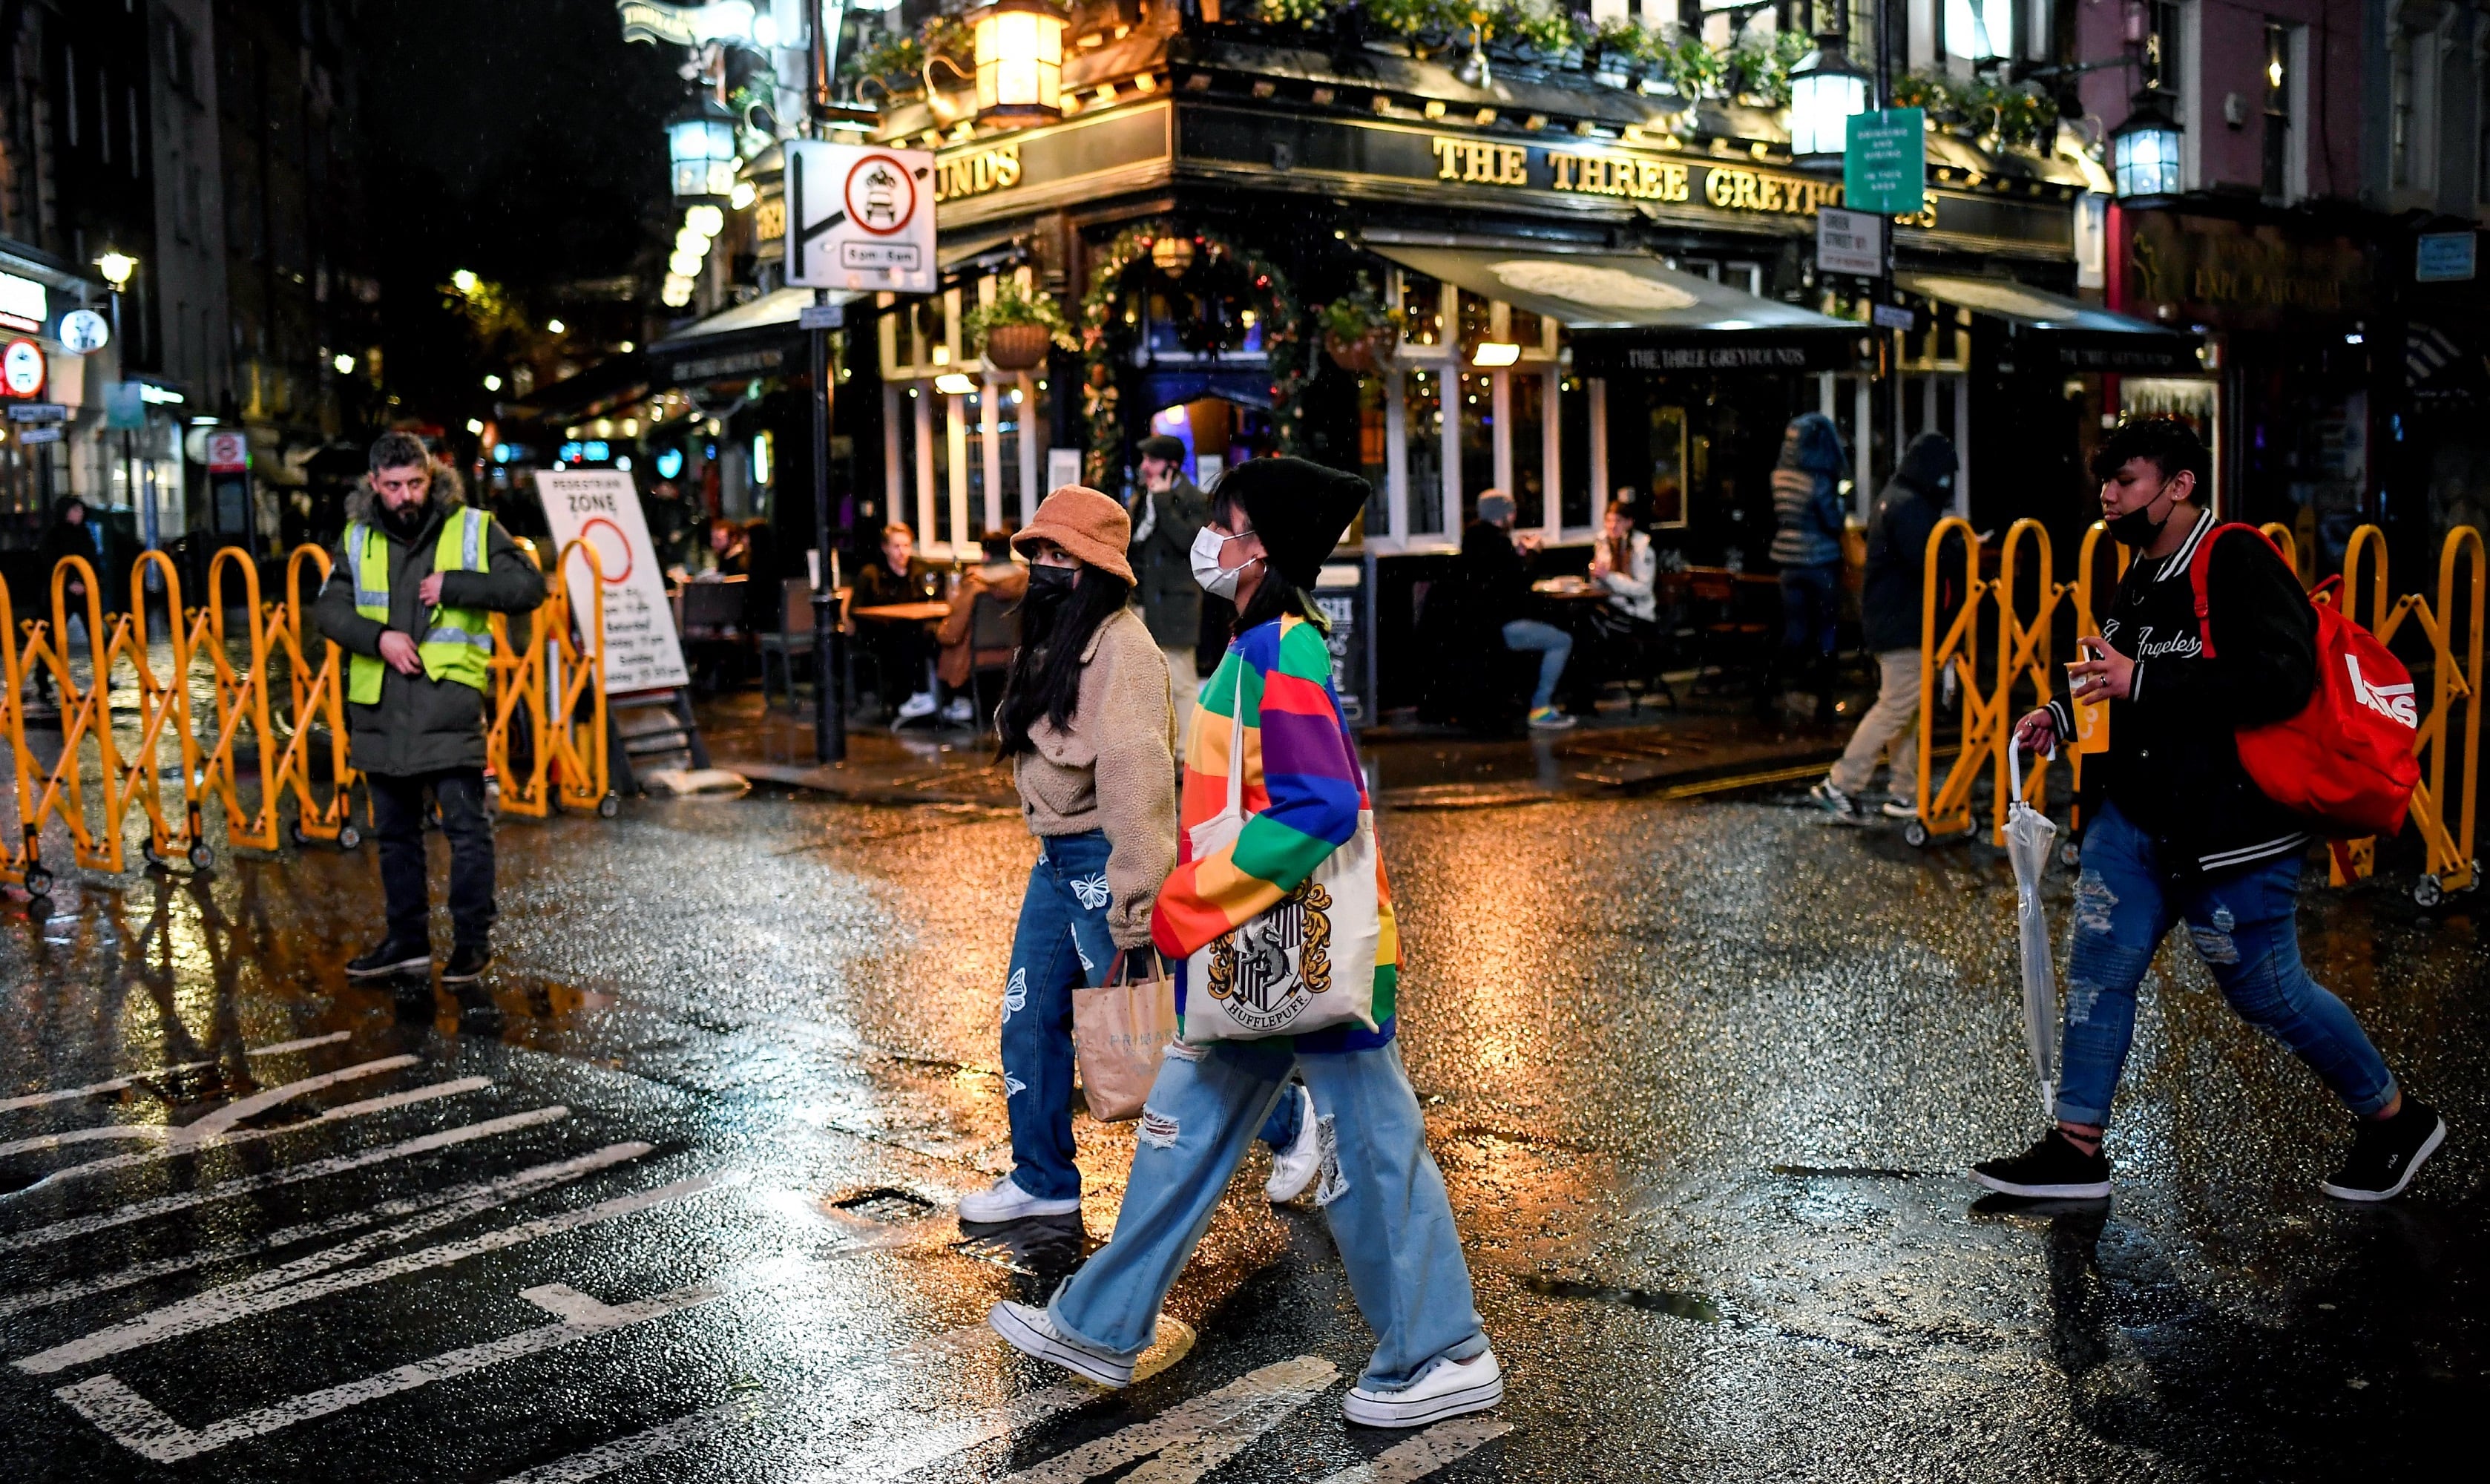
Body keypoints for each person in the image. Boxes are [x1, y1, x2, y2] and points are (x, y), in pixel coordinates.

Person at [989, 457, 1501, 1431]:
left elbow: (1319, 804)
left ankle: (1443, 1353)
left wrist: (1195, 901)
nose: (1209, 541)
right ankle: (1099, 1321)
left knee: (1374, 1154)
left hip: (1301, 956)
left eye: (1225, 523)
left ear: (1261, 547)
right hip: (1265, 961)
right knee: (1180, 1142)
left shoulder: (1281, 650)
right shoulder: (1265, 642)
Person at [1977, 416, 2445, 1204]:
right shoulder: (2139, 572)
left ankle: (2395, 1120)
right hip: (2135, 818)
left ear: (2178, 483)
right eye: (2104, 482)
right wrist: (2060, 714)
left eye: (2125, 481)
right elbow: (2114, 677)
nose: (2109, 495)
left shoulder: (2235, 558)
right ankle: (2075, 1147)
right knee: (2098, 970)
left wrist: (2145, 684)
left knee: (2266, 989)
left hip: (2232, 829)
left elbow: (2282, 680)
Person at [960, 485, 1318, 1224]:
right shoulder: (1053, 633)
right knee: (1026, 1019)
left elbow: (1137, 780)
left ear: (1094, 567)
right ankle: (1042, 1177)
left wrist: (1134, 902)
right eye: (1039, 553)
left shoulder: (1123, 648)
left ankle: (1288, 1117)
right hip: (1054, 863)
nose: (1045, 567)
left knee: (1154, 1040)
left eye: (1061, 555)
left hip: (1103, 864)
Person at [315, 433, 545, 985]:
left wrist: (457, 585)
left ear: (431, 476)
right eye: (393, 487)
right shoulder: (356, 538)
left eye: (415, 483)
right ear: (374, 485)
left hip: (449, 709)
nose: (405, 496)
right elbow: (329, 611)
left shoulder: (472, 528)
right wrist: (380, 639)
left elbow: (529, 587)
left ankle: (471, 944)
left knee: (466, 831)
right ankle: (406, 942)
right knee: (395, 836)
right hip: (382, 712)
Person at [1811, 432, 1957, 824]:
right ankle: (1841, 783)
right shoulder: (1909, 506)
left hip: (1890, 620)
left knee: (1905, 709)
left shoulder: (1897, 497)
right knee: (1896, 707)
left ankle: (1905, 791)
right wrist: (1960, 546)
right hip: (1904, 623)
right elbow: (1927, 559)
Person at [1459, 489, 1574, 730]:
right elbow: (1520, 583)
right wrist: (1533, 554)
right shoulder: (1499, 542)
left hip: (1479, 627)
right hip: (1502, 625)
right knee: (1561, 640)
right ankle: (1541, 708)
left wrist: (1518, 555)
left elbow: (1498, 575)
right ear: (1502, 515)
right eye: (1511, 513)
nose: (1514, 518)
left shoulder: (1472, 539)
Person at [1127, 434, 1212, 758]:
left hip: (1177, 604)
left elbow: (1190, 544)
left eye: (1152, 460)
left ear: (1171, 466)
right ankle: (1156, 750)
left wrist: (1163, 503)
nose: (1145, 466)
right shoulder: (1142, 498)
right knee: (1145, 683)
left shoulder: (1194, 499)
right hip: (1143, 604)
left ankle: (1186, 754)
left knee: (1181, 681)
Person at [1764, 412, 1850, 724]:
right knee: (1827, 632)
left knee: (1796, 632)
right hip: (1820, 560)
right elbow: (1833, 521)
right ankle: (1824, 701)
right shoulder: (1818, 480)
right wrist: (1840, 502)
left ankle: (1769, 686)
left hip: (1788, 562)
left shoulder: (1779, 476)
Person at [935, 528, 1028, 723]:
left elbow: (953, 632)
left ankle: (951, 703)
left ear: (985, 555)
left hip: (975, 656)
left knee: (933, 639)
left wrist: (939, 631)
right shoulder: (1025, 579)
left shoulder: (975, 583)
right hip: (1014, 652)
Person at [850, 522, 938, 721]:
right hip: (880, 633)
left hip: (913, 628)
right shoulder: (872, 574)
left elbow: (931, 598)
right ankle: (910, 698)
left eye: (906, 546)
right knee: (908, 639)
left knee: (933, 638)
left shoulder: (919, 570)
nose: (902, 552)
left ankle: (933, 697)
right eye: (897, 546)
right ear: (885, 548)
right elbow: (856, 610)